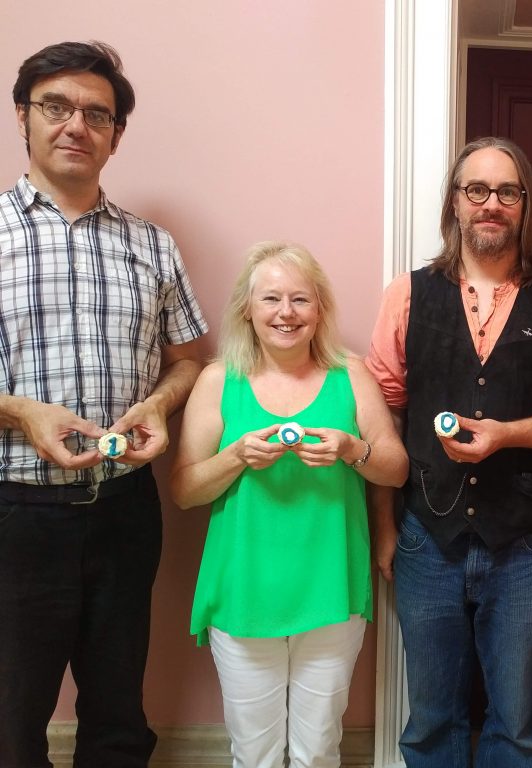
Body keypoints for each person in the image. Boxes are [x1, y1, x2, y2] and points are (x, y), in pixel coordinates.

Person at [366, 136, 532, 767]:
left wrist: (508, 433)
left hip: (526, 542)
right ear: (456, 202)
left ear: (524, 205)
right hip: (426, 536)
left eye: (507, 191)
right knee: (430, 720)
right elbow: (382, 418)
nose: (491, 203)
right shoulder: (407, 294)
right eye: (477, 189)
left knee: (515, 722)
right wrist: (385, 529)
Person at [0, 41, 207, 767]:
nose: (75, 125)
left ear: (116, 134)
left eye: (96, 113)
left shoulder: (152, 246)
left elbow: (187, 361)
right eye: (55, 106)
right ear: (23, 117)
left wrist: (160, 403)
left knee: (119, 711)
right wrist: (20, 412)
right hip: (15, 511)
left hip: (124, 511)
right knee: (10, 718)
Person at [170, 241, 407, 767]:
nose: (285, 313)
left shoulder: (352, 375)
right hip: (242, 591)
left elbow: (395, 467)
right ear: (247, 310)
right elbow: (185, 490)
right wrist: (234, 457)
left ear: (319, 308)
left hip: (330, 587)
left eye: (300, 300)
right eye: (271, 299)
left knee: (318, 747)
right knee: (253, 752)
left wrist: (352, 450)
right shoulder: (217, 380)